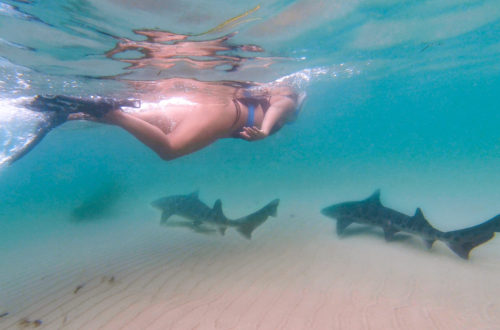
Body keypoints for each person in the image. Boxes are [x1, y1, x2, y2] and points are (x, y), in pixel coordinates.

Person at [15, 78, 306, 163]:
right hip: (226, 115)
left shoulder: (277, 97)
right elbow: (279, 108)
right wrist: (266, 132)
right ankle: (110, 111)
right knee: (169, 150)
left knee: (144, 119)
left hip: (215, 108)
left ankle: (67, 112)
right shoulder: (288, 100)